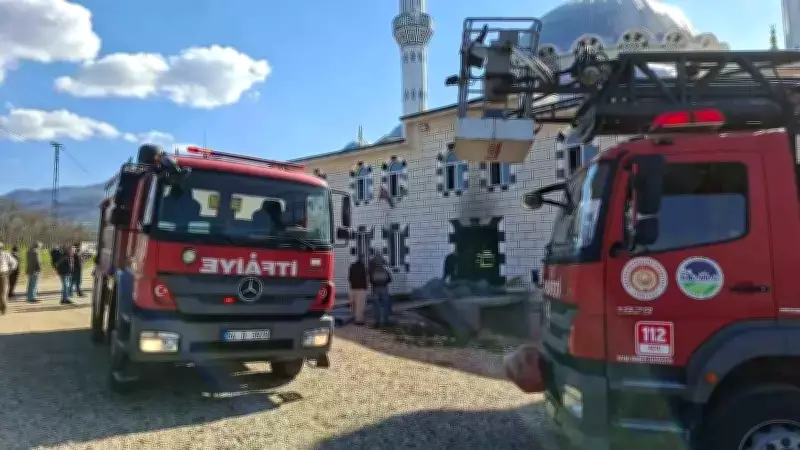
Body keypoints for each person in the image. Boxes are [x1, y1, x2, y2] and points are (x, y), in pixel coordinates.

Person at [368, 253, 393, 327]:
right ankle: (386, 320)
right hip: (384, 288)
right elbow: (389, 279)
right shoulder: (385, 269)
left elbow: (371, 280)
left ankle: (377, 321)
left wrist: (374, 284)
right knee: (385, 304)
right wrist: (385, 283)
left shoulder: (372, 270)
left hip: (375, 289)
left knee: (376, 305)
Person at [347, 256, 368, 325]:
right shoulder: (363, 267)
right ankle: (359, 320)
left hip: (352, 288)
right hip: (361, 289)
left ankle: (353, 317)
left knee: (353, 304)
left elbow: (349, 277)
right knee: (360, 305)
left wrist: (352, 283)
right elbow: (365, 278)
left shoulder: (352, 266)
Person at [0, 242, 19, 315]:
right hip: (4, 274)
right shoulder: (6, 254)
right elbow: (14, 263)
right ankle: (3, 307)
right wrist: (10, 271)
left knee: (2, 292)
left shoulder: (6, 254)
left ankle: (2, 306)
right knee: (3, 292)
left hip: (4, 274)